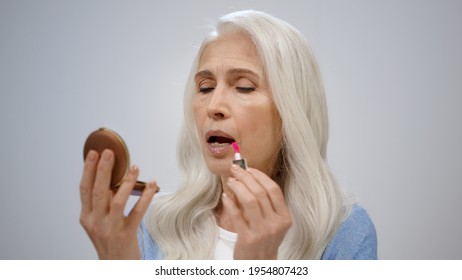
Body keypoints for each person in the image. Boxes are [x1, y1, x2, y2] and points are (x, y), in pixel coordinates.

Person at [79, 10, 377, 260]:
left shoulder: (344, 233)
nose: (214, 106)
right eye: (205, 87)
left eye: (244, 86)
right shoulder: (156, 225)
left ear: (292, 112)